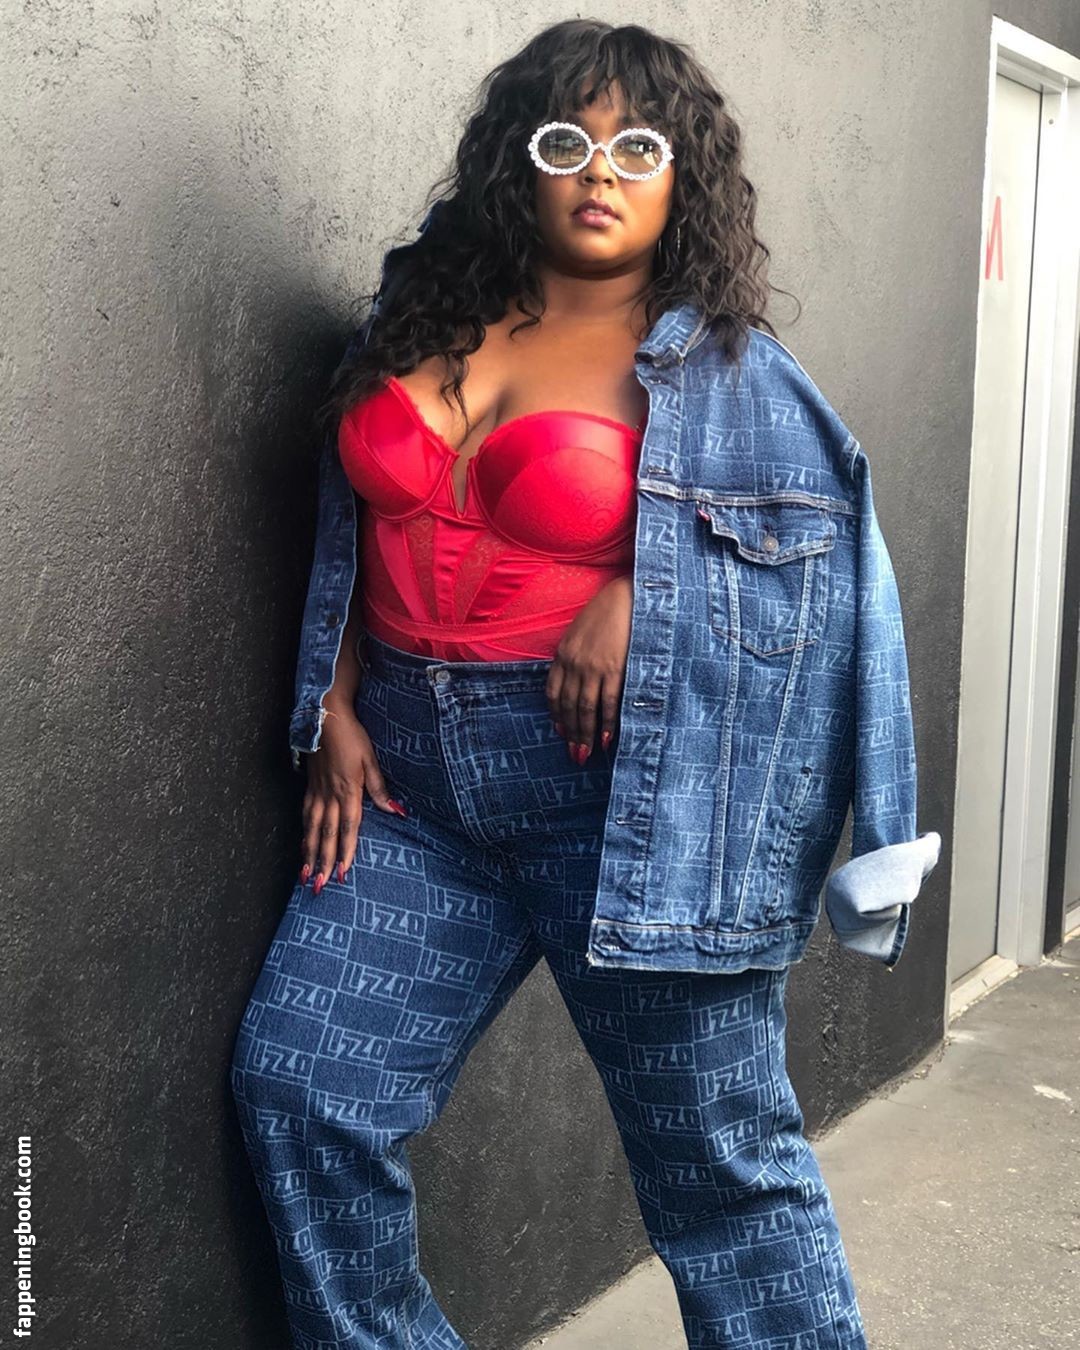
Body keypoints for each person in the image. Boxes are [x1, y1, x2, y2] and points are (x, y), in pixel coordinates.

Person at [230, 19, 941, 1349]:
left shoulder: (733, 381)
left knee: (721, 1177)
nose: (599, 170)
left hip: (619, 802)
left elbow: (843, 594)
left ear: (683, 179)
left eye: (638, 148)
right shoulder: (415, 317)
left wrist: (643, 591)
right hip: (410, 793)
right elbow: (349, 521)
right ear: (520, 161)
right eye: (566, 142)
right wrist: (329, 700)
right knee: (305, 1089)